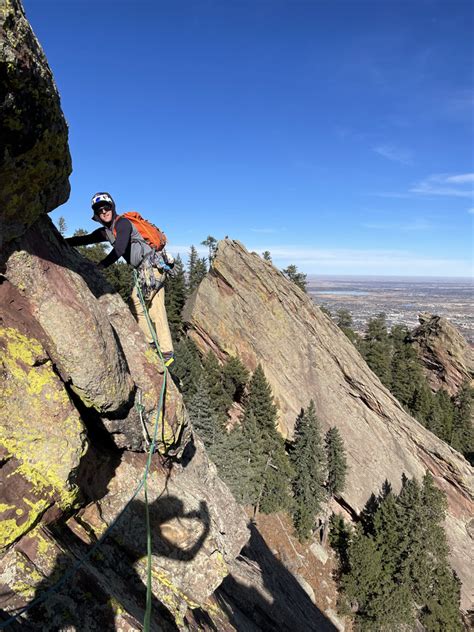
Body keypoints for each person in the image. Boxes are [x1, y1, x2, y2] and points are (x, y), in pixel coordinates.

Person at [66, 192, 174, 366]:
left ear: (112, 207)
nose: (104, 212)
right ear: (96, 214)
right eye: (99, 210)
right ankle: (167, 352)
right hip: (154, 268)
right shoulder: (106, 232)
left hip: (151, 268)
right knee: (156, 309)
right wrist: (61, 240)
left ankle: (151, 344)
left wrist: (101, 265)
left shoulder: (123, 224)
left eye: (106, 208)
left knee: (136, 302)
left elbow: (120, 249)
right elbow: (85, 239)